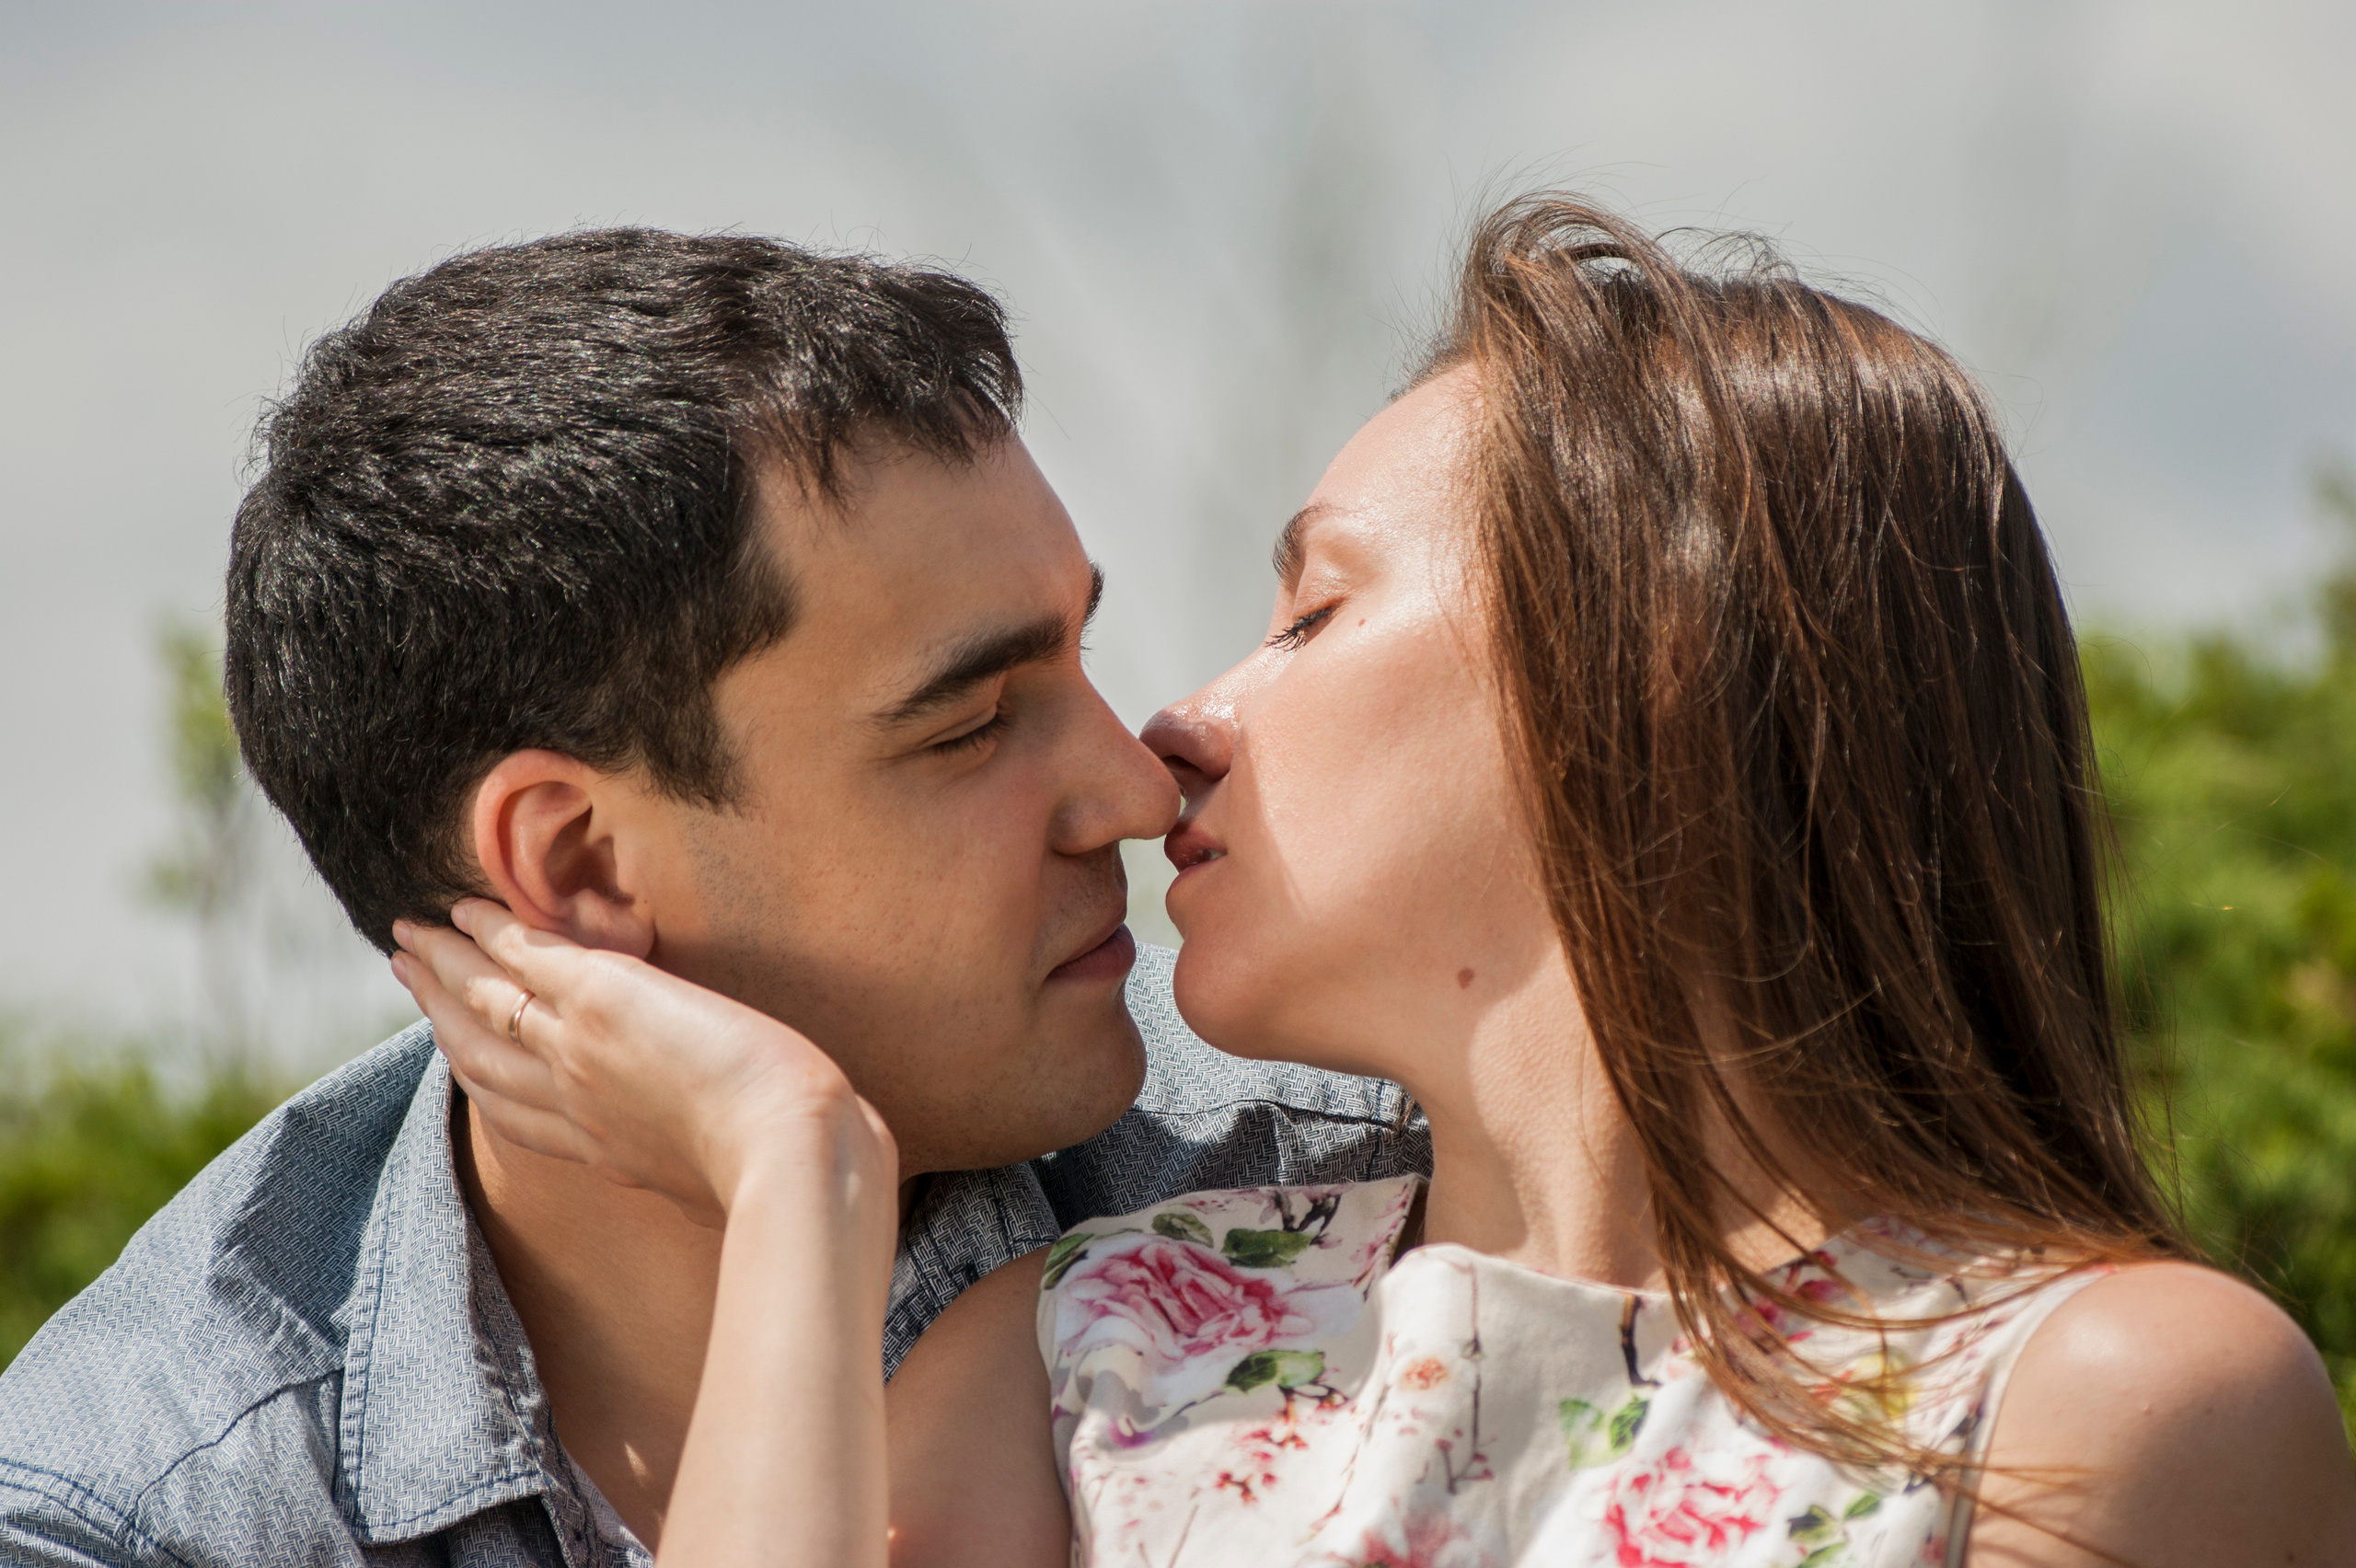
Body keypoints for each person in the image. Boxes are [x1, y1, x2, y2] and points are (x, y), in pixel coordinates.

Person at [395, 196, 2356, 1567]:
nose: (1171, 733)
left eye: (1313, 610)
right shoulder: (1083, 1359)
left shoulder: (2093, 1404)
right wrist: (798, 1172)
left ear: (1641, 670)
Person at [0, 233, 1426, 1564]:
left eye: (1078, 657)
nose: (1136, 790)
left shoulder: (1348, 1177)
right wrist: (797, 1169)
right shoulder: (144, 1517)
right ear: (577, 867)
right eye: (973, 724)